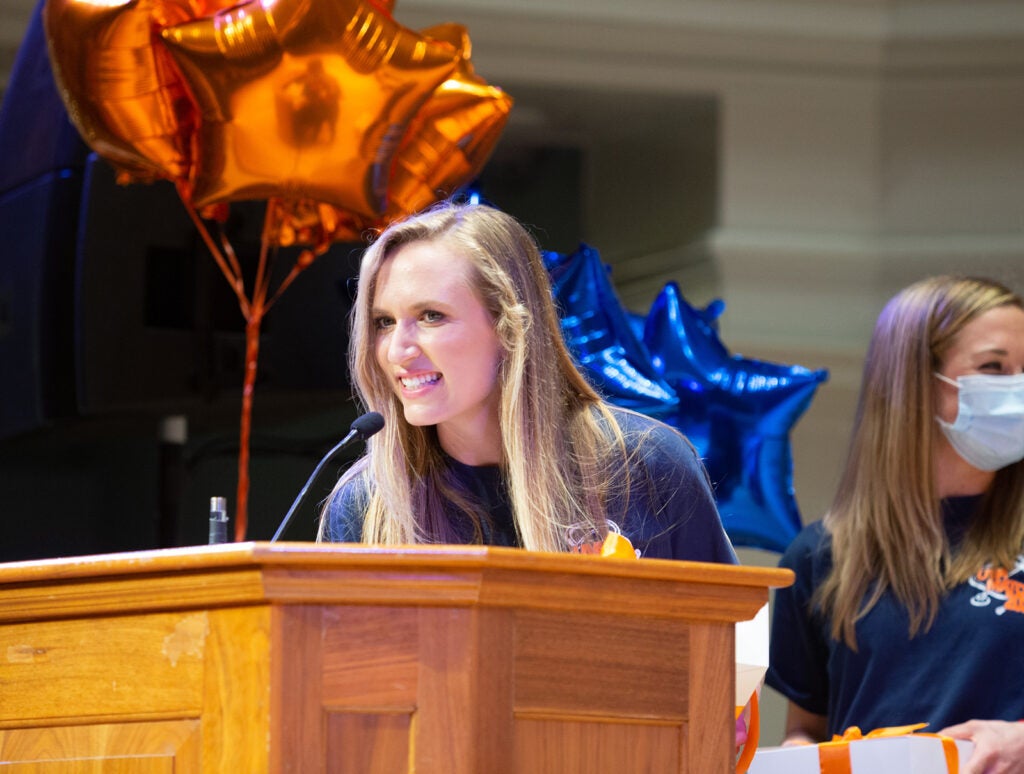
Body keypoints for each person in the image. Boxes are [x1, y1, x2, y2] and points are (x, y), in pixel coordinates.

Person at [318, 200, 737, 564]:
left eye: (431, 316)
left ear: (510, 327)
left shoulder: (647, 467)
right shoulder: (366, 504)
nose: (396, 350)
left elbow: (730, 641)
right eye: (384, 322)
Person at [766, 275, 1024, 773]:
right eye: (994, 367)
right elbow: (807, 728)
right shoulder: (820, 556)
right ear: (913, 383)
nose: (1016, 388)